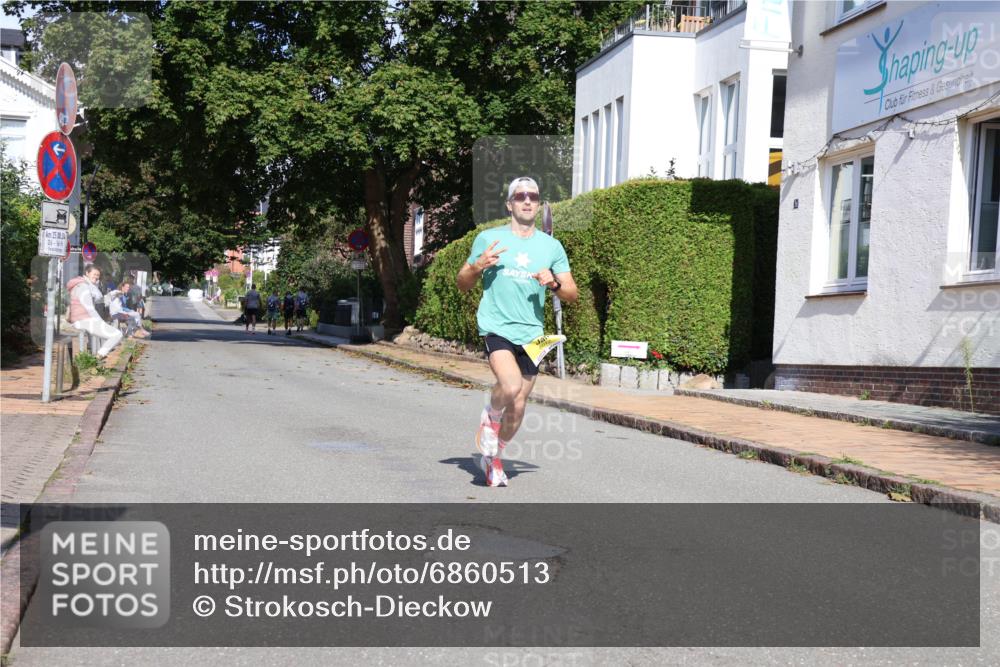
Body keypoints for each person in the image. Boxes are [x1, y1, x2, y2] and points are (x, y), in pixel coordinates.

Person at [456, 176, 578, 487]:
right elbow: (462, 283)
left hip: (532, 332)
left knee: (520, 403)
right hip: (497, 326)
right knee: (509, 387)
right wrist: (476, 267)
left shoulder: (551, 246)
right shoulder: (488, 239)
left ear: (538, 204)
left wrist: (553, 282)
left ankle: (494, 456)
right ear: (510, 204)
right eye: (520, 196)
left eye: (533, 197)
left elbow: (572, 293)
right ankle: (489, 415)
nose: (527, 201)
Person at [67, 264, 123, 360]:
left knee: (107, 337)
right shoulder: (83, 286)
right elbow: (89, 308)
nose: (97, 277)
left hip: (84, 319)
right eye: (94, 274)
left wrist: (111, 295)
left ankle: (97, 356)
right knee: (117, 335)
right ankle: (98, 357)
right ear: (87, 273)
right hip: (84, 320)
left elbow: (99, 300)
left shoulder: (87, 285)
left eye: (98, 275)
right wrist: (99, 321)